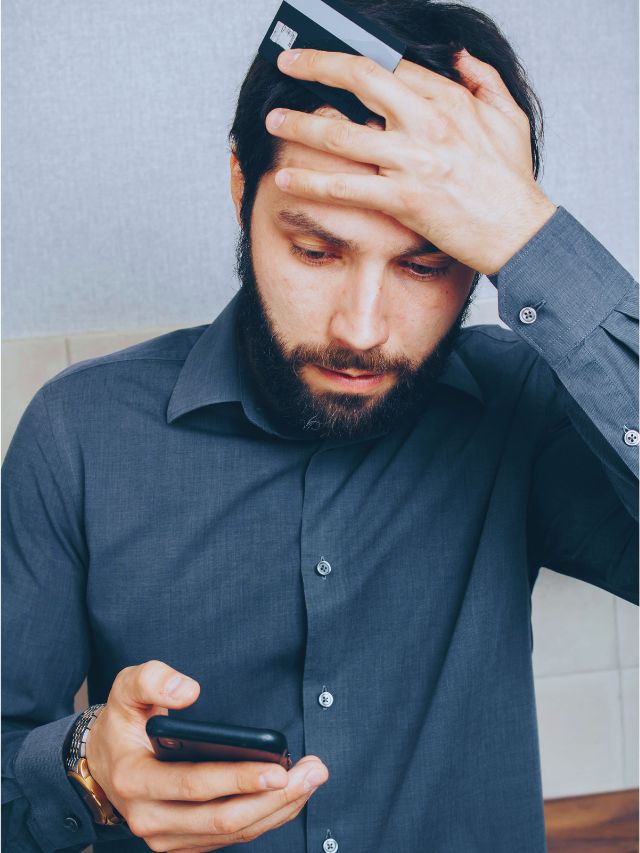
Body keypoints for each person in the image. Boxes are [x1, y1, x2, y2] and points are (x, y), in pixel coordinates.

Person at [2, 1, 637, 851]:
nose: (361, 329)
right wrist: (86, 766)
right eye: (316, 251)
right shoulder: (76, 433)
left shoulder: (522, 407)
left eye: (424, 265)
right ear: (241, 187)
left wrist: (535, 239)